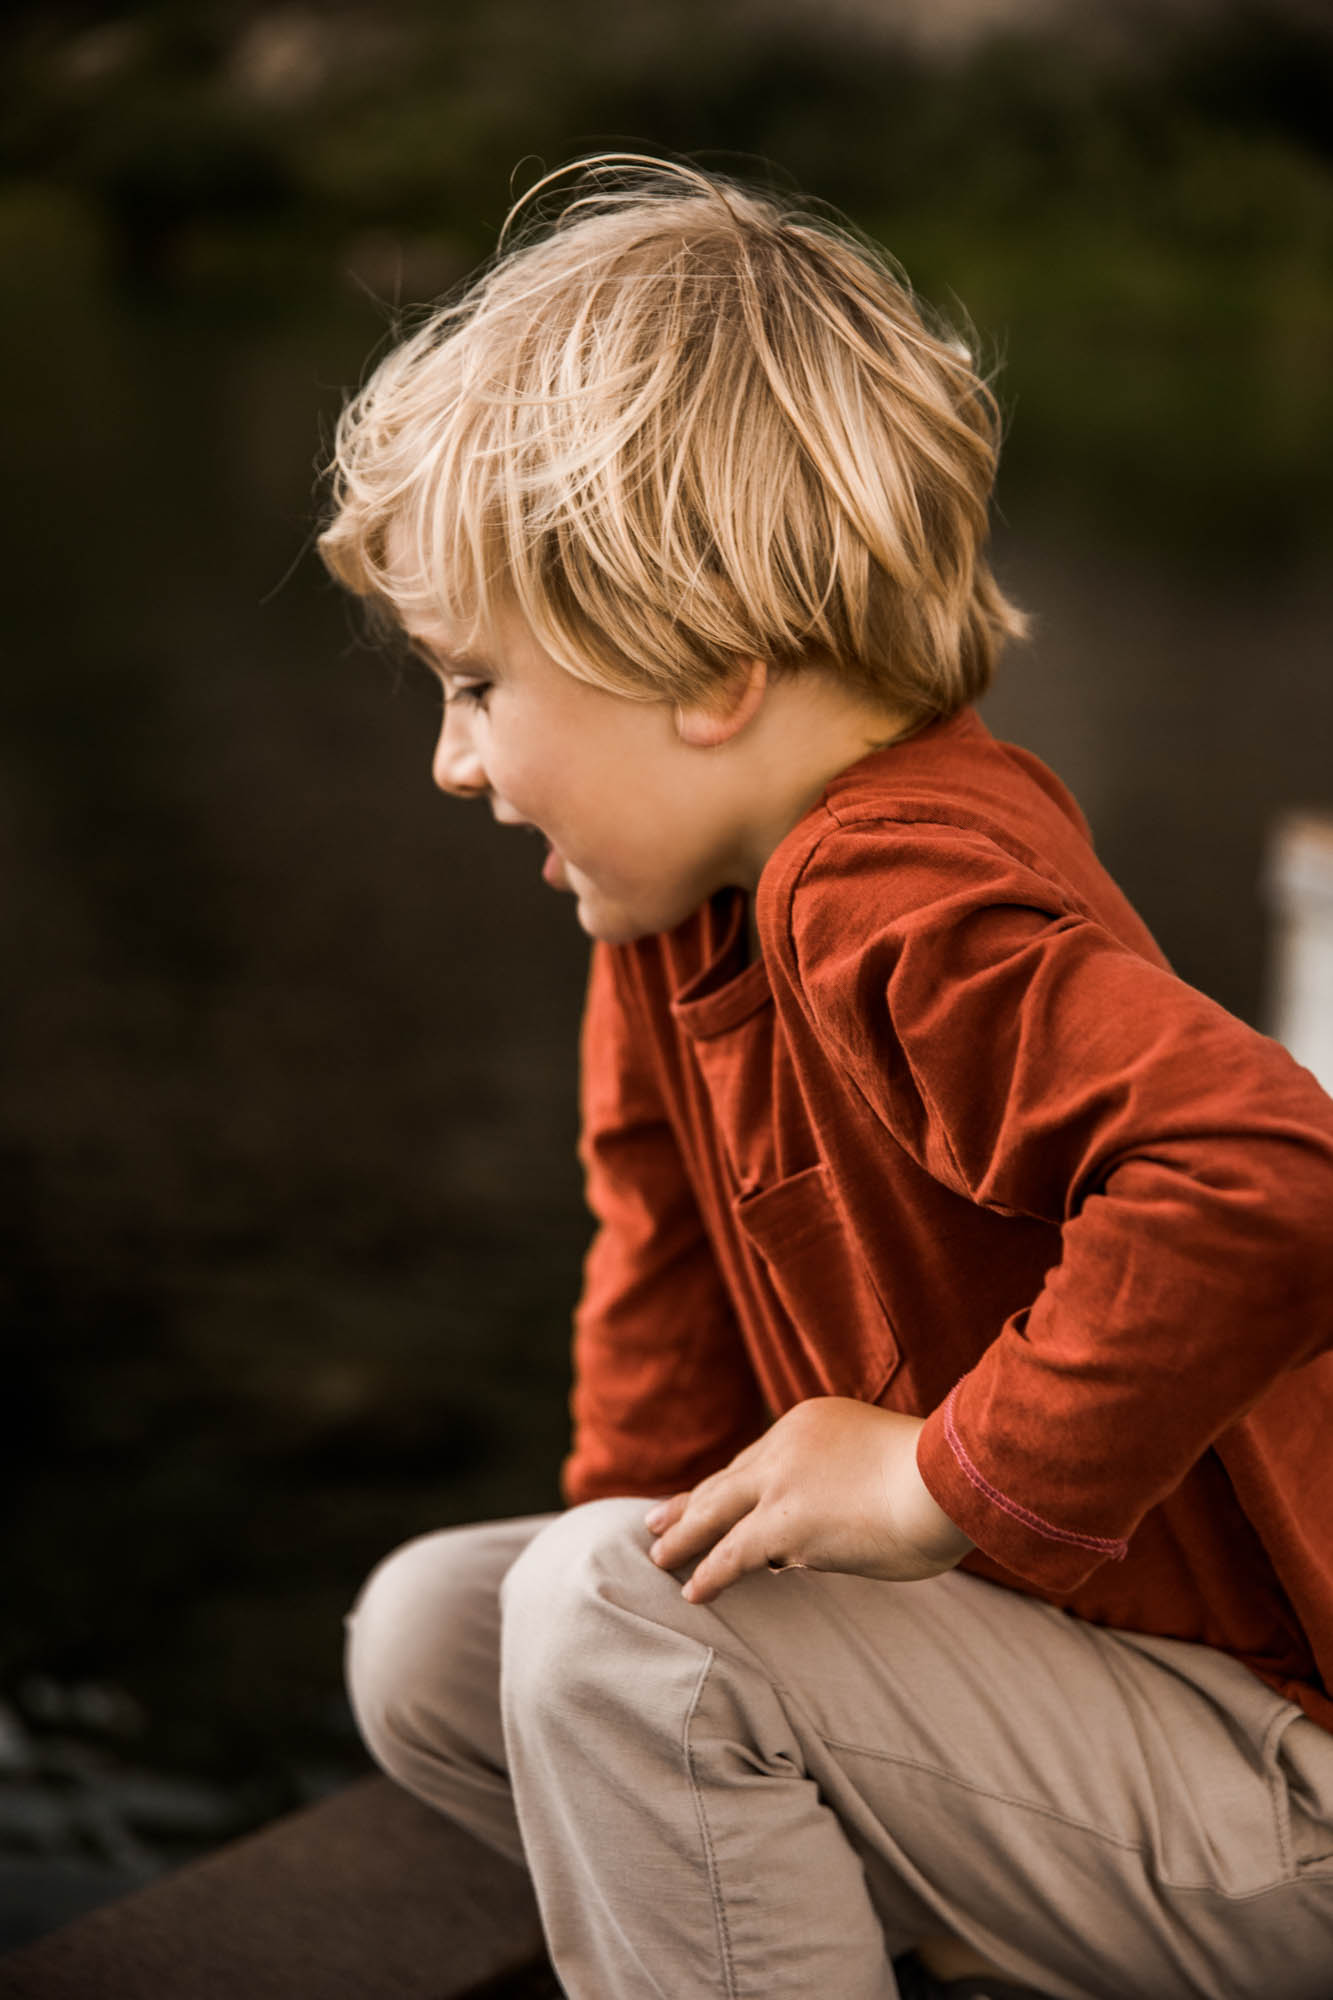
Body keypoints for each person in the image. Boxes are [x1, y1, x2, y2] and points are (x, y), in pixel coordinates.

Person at [318, 155, 1333, 1999]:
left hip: (1278, 1784)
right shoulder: (668, 921)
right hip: (1054, 1690)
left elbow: (1267, 1171)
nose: (455, 765)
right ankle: (894, 1925)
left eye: (477, 687)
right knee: (442, 1641)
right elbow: (661, 1347)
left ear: (705, 669)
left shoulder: (894, 877)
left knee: (598, 1624)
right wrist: (617, 1583)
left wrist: (946, 1478)